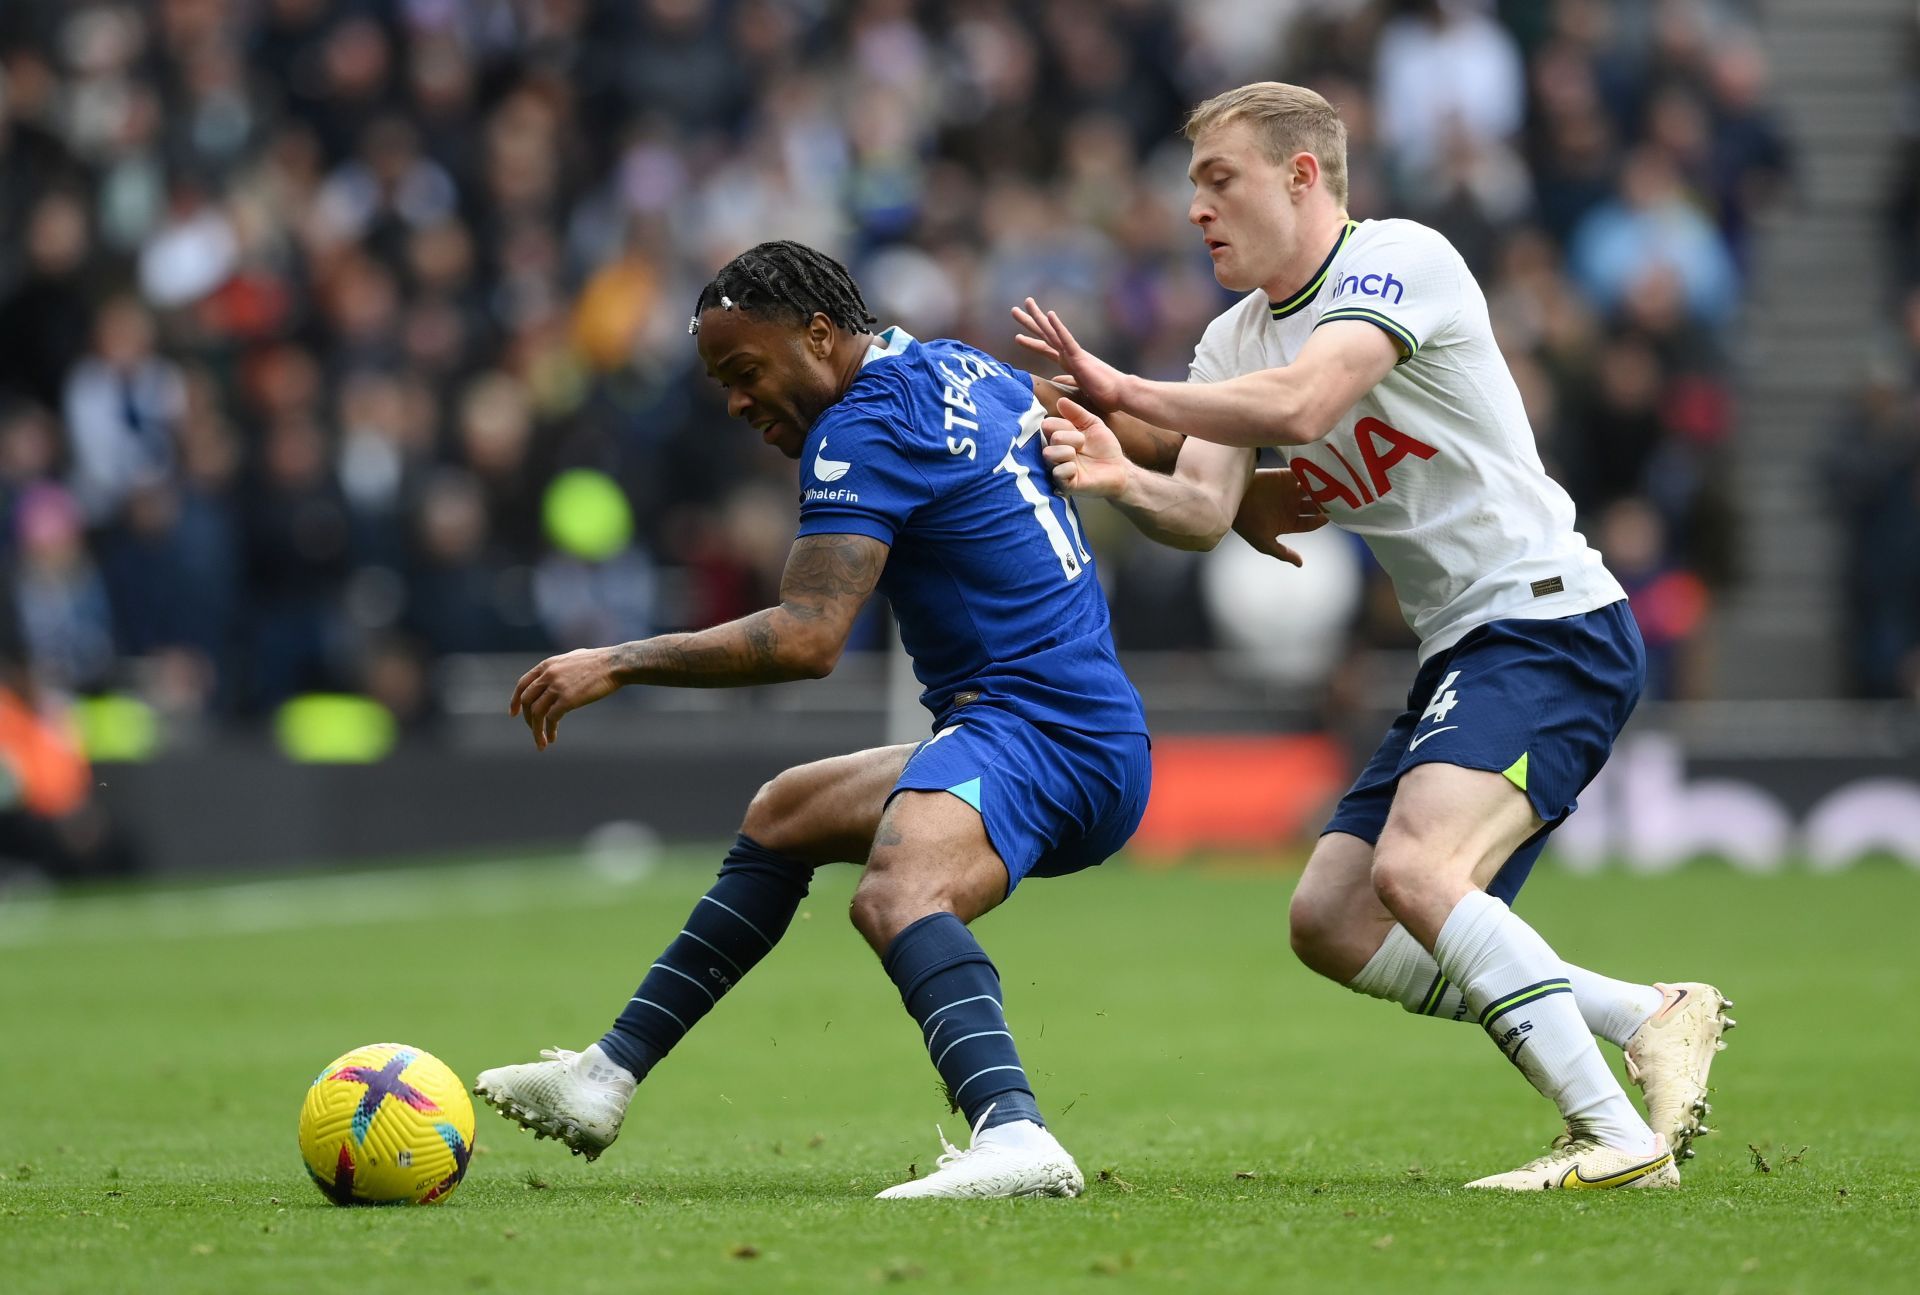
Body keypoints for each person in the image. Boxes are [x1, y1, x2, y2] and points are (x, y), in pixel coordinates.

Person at [1016, 83, 1734, 1191]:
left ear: (1302, 176)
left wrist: (1124, 390)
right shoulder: (1229, 340)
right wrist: (1122, 476)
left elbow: (1305, 406)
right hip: (1462, 646)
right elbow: (1207, 511)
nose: (1197, 209)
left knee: (1416, 869)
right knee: (1333, 919)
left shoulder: (1399, 260)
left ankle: (1615, 1136)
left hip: (1547, 619)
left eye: (1221, 180)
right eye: (1192, 187)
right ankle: (1648, 1013)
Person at [474, 241, 1283, 1200]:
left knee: (899, 894)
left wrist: (617, 658)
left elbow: (810, 637)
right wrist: (1234, 499)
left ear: (819, 334)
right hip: (1066, 727)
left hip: (1043, 735)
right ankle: (603, 1078)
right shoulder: (965, 365)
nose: (737, 402)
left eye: (746, 372)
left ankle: (1015, 1133)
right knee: (785, 813)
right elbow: (1135, 438)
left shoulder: (858, 430)